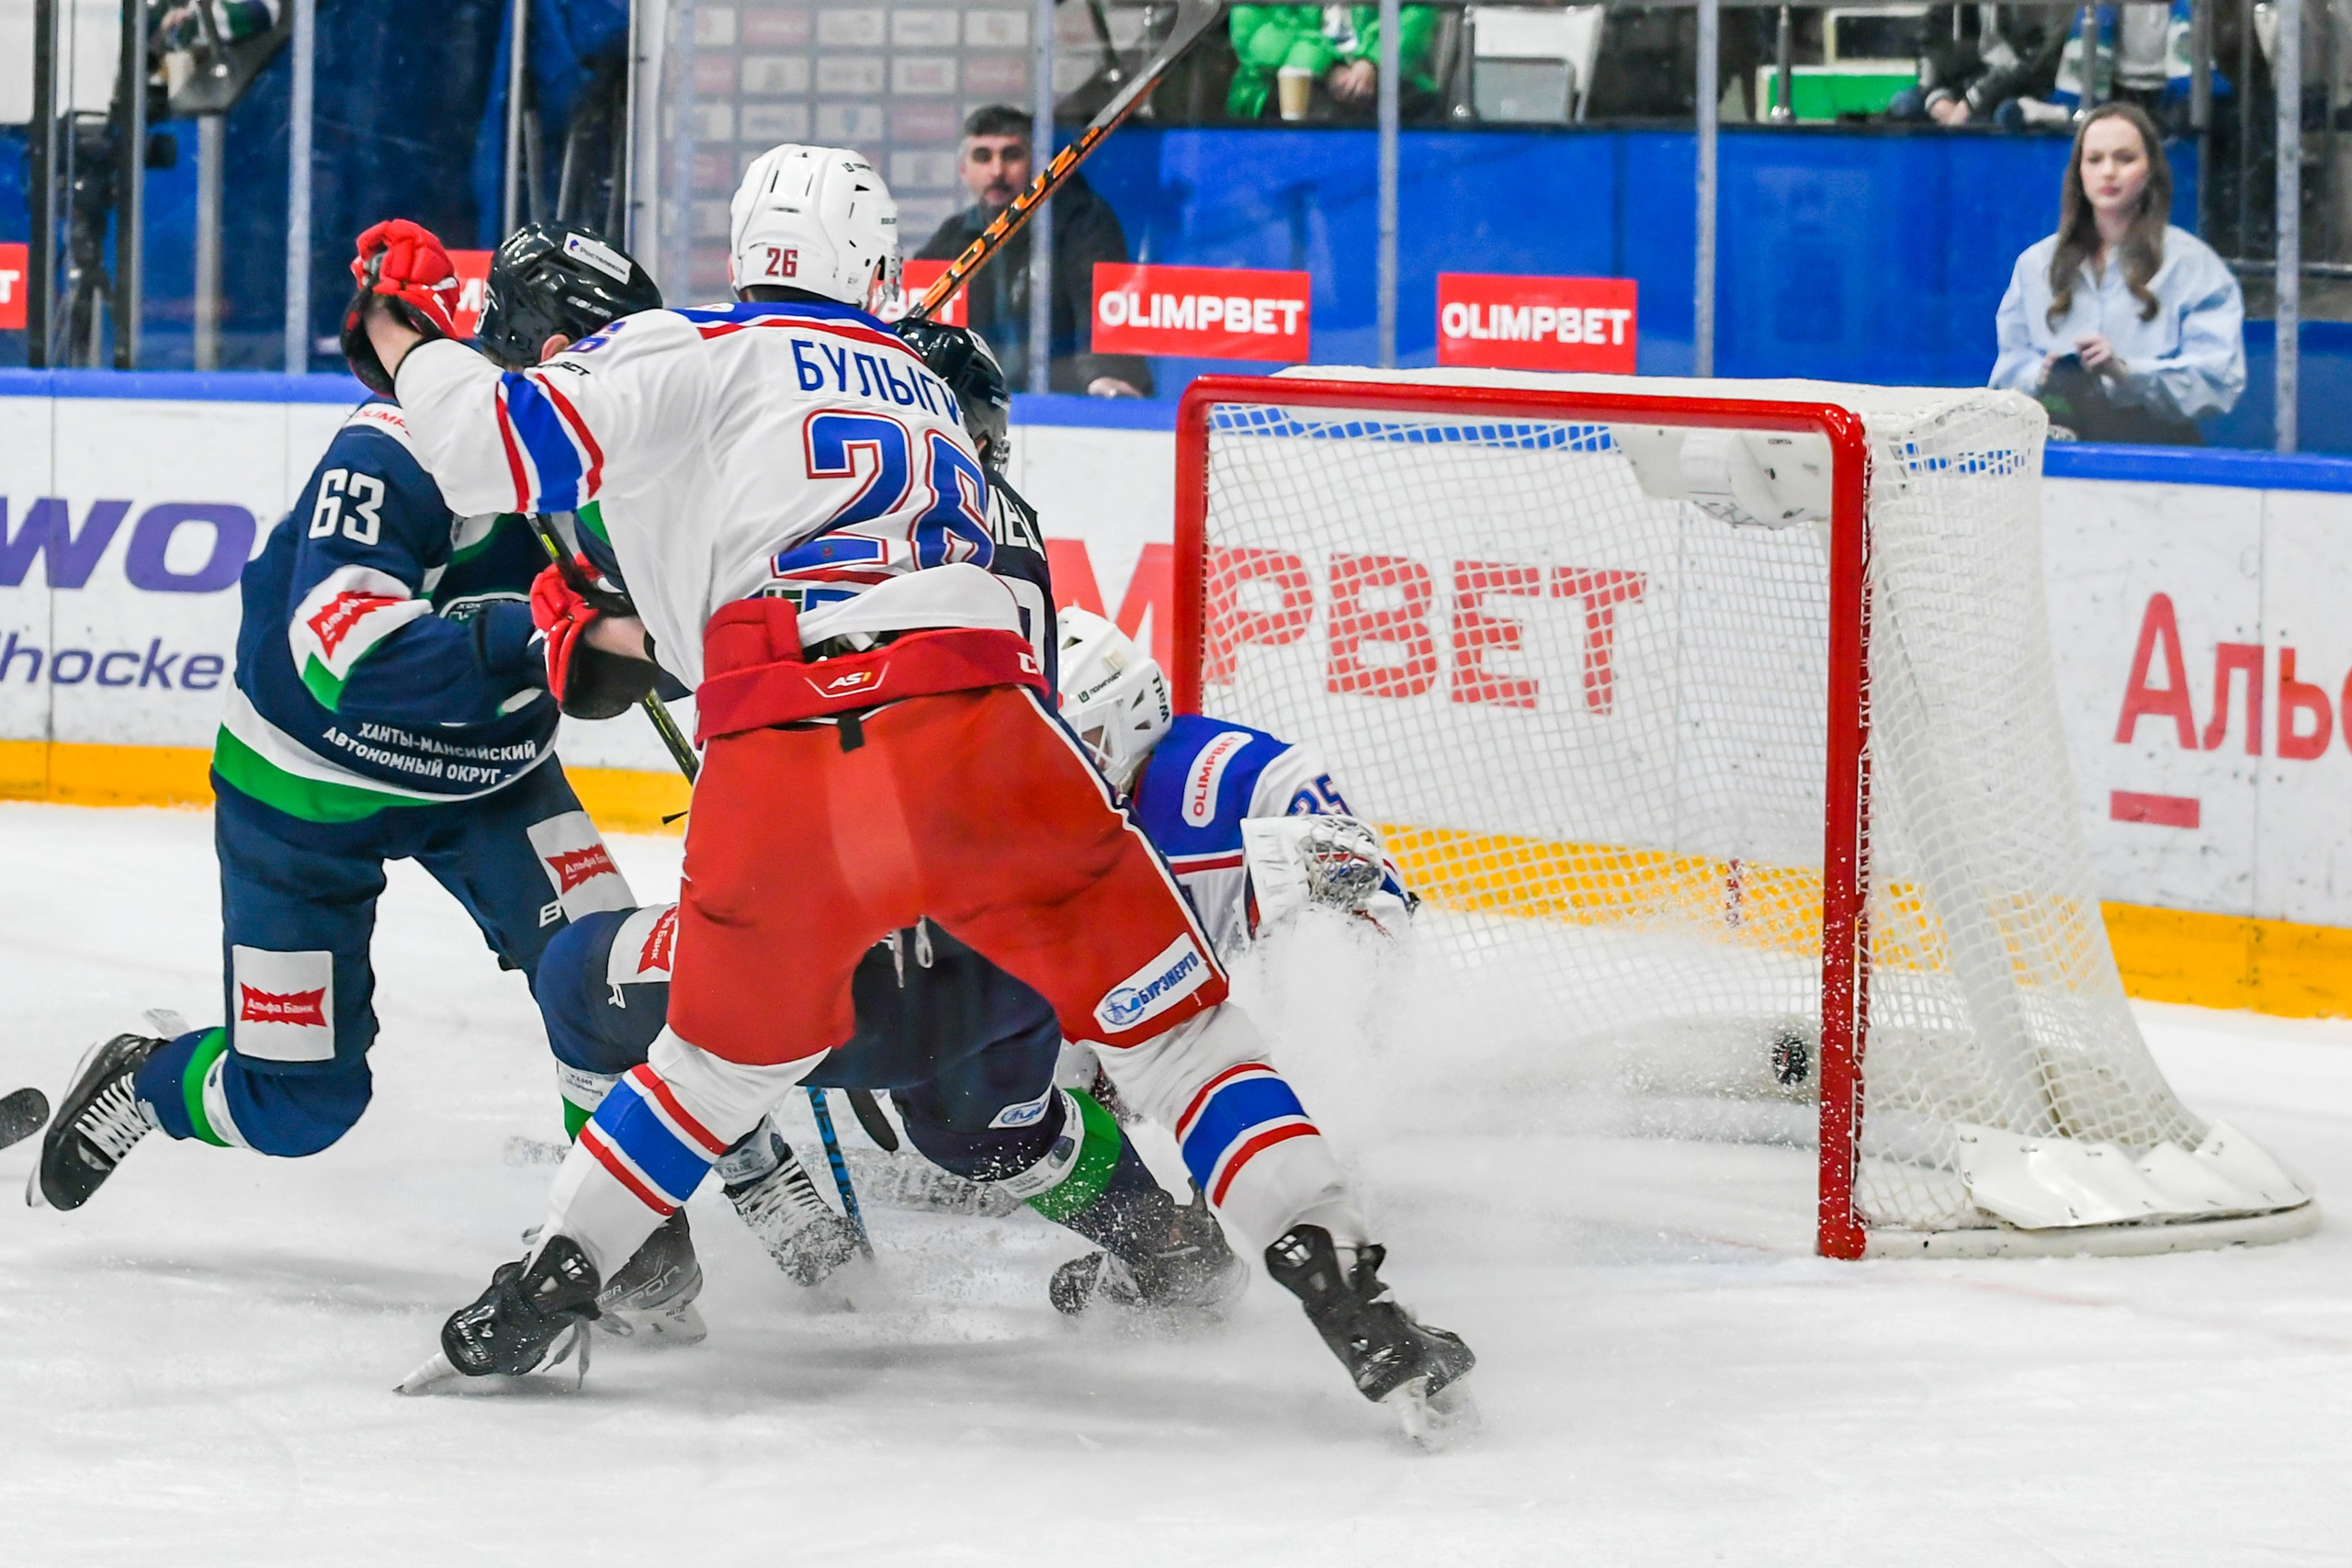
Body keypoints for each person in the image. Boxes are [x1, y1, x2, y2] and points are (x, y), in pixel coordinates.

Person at [353, 141, 1474, 1433]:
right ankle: (1343, 1283)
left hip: (785, 748)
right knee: (1179, 1038)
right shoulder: (933, 401)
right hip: (986, 731)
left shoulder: (688, 348)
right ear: (875, 268)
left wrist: (413, 336)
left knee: (701, 1073)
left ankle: (536, 1290)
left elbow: (490, 456)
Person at [526, 606, 1418, 1323]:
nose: (1045, 757)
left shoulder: (1226, 784)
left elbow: (1366, 922)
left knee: (980, 1096)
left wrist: (1306, 1107)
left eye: (1073, 739)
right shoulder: (1037, 813)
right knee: (969, 1107)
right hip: (1094, 1008)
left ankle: (1219, 1220)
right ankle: (1165, 1237)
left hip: (1179, 1029)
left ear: (1121, 723)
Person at [1991, 101, 2244, 445]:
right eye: (2095, 160)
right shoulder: (2035, 265)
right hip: (2055, 448)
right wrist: (2041, 375)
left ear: (2150, 170)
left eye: (2125, 158)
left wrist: (2125, 373)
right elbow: (2006, 372)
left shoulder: (2193, 265)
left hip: (2153, 451)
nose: (2108, 172)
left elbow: (2218, 380)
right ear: (2079, 172)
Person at [912, 104, 1151, 400]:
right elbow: (917, 312)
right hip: (981, 402)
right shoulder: (953, 236)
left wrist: (1103, 375)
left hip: (1063, 401)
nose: (997, 171)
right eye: (983, 157)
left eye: (1011, 155)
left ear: (1038, 164)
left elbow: (1104, 309)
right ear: (963, 170)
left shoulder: (1081, 221)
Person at [1226, 6, 1441, 121]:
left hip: (1388, 82)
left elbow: (1420, 13)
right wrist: (1325, 66)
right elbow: (1252, 30)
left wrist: (1373, 60)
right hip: (1282, 83)